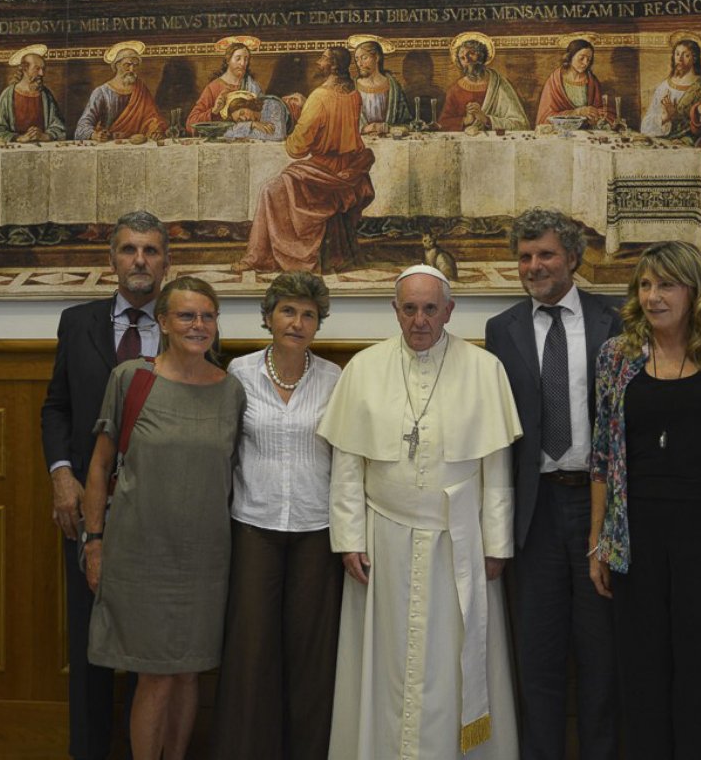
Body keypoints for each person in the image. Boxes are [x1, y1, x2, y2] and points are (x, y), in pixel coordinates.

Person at [319, 265, 522, 759]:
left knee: (451, 662)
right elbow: (348, 464)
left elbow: (496, 468)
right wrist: (349, 538)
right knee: (384, 663)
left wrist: (496, 545)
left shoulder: (484, 369)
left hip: (458, 543)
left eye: (431, 308)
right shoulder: (364, 368)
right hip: (382, 540)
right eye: (409, 308)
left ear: (448, 310)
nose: (419, 319)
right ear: (395, 310)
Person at [587, 241, 701, 758]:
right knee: (642, 671)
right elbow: (603, 456)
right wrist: (598, 543)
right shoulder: (618, 356)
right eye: (646, 285)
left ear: (694, 290)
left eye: (666, 285)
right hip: (636, 537)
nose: (653, 297)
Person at [83, 275, 246, 760]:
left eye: (208, 316)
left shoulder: (232, 390)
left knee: (188, 670)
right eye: (187, 316)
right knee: (153, 674)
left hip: (205, 560)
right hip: (140, 556)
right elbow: (98, 465)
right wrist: (94, 541)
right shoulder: (133, 379)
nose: (199, 325)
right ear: (164, 322)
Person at [484, 208, 620, 760]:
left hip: (598, 508)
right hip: (534, 512)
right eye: (524, 257)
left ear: (572, 257)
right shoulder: (503, 329)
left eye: (545, 254)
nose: (533, 266)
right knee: (536, 658)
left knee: (601, 658)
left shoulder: (615, 319)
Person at [41, 210, 170, 760]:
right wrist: (61, 475)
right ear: (111, 258)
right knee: (91, 645)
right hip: (85, 508)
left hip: (159, 513)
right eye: (128, 250)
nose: (139, 260)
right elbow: (57, 408)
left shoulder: (187, 324)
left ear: (166, 261)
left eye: (150, 250)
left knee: (153, 649)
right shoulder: (77, 321)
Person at [212, 273, 344, 760]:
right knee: (251, 653)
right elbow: (222, 452)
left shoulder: (334, 379)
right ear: (268, 317)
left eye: (309, 314)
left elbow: (347, 458)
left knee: (313, 654)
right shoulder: (238, 374)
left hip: (316, 530)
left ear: (318, 324)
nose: (298, 322)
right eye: (288, 311)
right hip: (253, 526)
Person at [233, 47, 375, 274]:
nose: (318, 62)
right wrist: (307, 105)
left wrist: (300, 114)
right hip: (347, 167)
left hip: (323, 171)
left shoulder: (320, 96)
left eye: (323, 59)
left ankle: (260, 257)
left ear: (333, 66)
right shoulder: (353, 94)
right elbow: (334, 118)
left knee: (269, 190)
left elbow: (297, 148)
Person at [75, 41, 167, 142]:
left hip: (136, 144)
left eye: (135, 65)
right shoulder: (101, 92)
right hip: (108, 144)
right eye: (127, 65)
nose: (131, 69)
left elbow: (152, 118)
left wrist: (155, 130)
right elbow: (82, 126)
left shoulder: (141, 89)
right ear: (117, 65)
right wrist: (95, 135)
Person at [438, 32, 529, 132]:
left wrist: (486, 119)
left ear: (481, 55)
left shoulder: (498, 84)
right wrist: (465, 120)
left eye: (471, 54)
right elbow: (442, 124)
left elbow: (520, 124)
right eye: (462, 58)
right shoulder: (455, 90)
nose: (467, 60)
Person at [0, 44, 67, 143]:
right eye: (37, 69)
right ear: (25, 68)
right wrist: (18, 138)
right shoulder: (8, 95)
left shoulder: (45, 95)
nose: (42, 74)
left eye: (43, 69)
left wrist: (45, 136)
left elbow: (59, 128)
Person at [186, 36, 264, 134]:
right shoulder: (213, 88)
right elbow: (190, 123)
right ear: (228, 60)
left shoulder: (253, 86)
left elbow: (264, 116)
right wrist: (214, 111)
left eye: (246, 59)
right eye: (238, 58)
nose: (243, 63)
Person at [640, 38, 701, 143]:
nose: (680, 59)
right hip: (662, 140)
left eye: (686, 55)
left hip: (689, 141)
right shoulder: (664, 86)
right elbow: (646, 125)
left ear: (694, 58)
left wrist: (676, 116)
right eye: (677, 54)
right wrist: (665, 118)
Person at [534, 37, 610, 127]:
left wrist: (596, 116)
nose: (585, 63)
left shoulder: (592, 82)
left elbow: (601, 110)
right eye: (581, 58)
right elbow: (545, 117)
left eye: (588, 59)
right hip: (560, 131)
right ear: (570, 57)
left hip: (586, 132)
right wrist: (577, 112)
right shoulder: (555, 81)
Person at [349, 36, 412, 135]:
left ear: (377, 57)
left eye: (364, 58)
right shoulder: (352, 87)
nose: (359, 64)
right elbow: (343, 123)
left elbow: (406, 121)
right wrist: (365, 129)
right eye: (357, 59)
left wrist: (390, 128)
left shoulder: (393, 87)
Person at [220, 90, 291, 141]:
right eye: (239, 120)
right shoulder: (251, 122)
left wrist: (244, 133)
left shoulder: (272, 105)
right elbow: (228, 134)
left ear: (248, 104)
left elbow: (279, 135)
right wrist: (252, 124)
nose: (244, 119)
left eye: (242, 113)